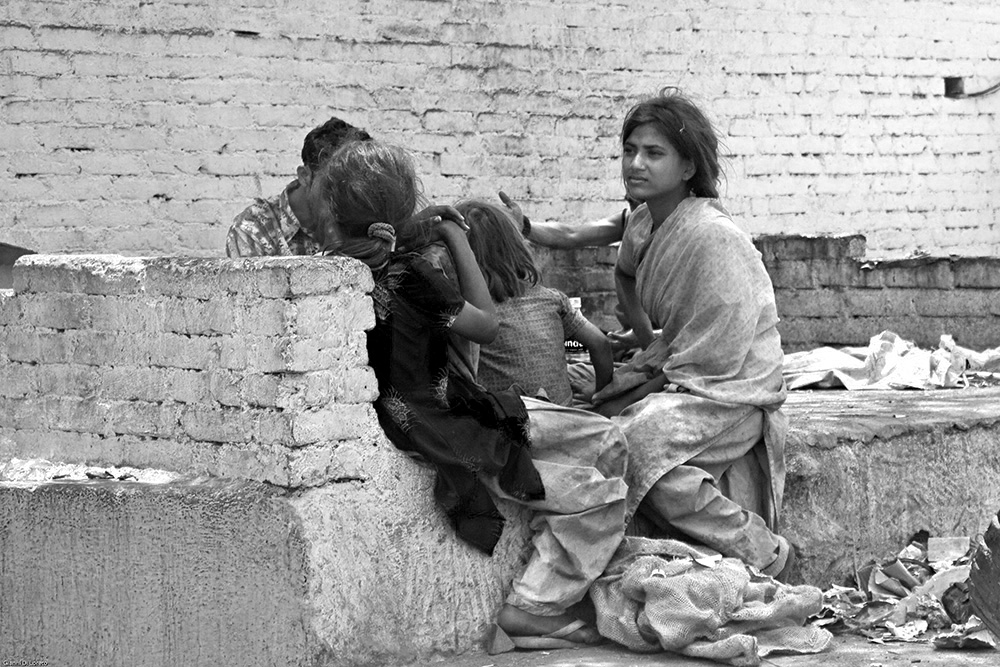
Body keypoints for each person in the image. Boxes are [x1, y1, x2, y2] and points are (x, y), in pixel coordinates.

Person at [319, 140, 629, 649]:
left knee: (591, 455)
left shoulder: (338, 267)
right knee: (606, 441)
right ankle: (540, 605)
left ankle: (561, 588)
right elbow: (483, 324)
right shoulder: (411, 273)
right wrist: (451, 234)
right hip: (450, 418)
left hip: (406, 417)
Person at [590, 88, 794, 581]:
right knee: (591, 423)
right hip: (687, 368)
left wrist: (646, 384)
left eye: (653, 153)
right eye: (630, 150)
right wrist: (644, 349)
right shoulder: (643, 223)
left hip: (732, 389)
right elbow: (626, 278)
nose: (635, 163)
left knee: (634, 447)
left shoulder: (713, 236)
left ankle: (762, 550)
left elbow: (718, 351)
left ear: (687, 168)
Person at [226, 116, 463, 257]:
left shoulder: (358, 209)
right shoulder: (254, 229)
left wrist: (405, 227)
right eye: (332, 184)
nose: (345, 194)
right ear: (305, 176)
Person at [457, 198, 613, 406]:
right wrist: (598, 394)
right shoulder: (551, 298)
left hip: (510, 424)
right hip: (564, 416)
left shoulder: (470, 314)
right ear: (518, 248)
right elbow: (601, 344)